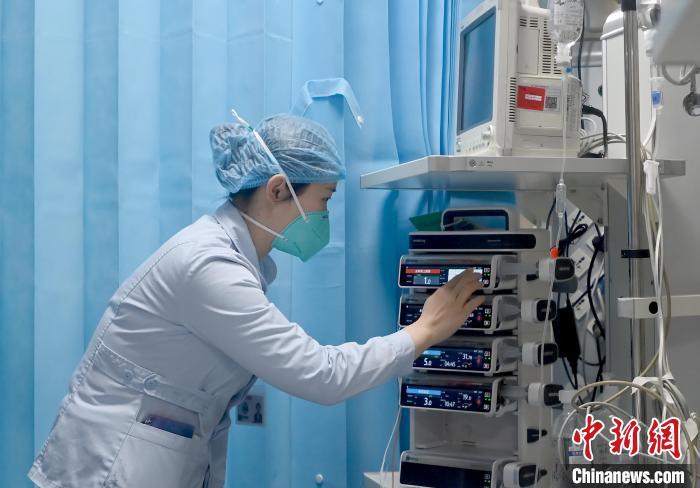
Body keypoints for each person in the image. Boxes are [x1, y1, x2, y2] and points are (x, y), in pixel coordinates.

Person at [28, 112, 484, 488]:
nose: (324, 216)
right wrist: (424, 330)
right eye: (324, 199)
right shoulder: (208, 267)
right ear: (279, 189)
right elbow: (322, 376)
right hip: (110, 465)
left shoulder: (232, 259)